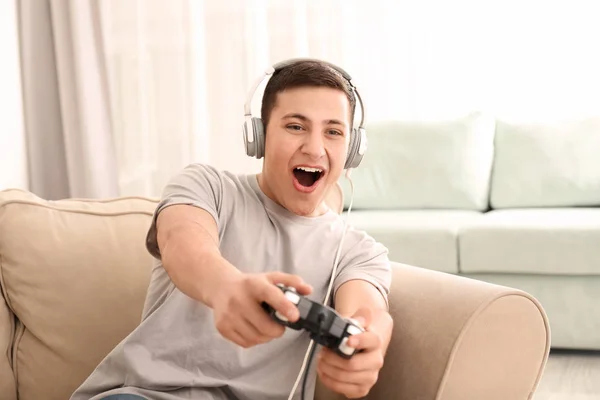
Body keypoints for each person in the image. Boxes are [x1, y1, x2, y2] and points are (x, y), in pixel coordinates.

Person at [70, 58, 393, 400]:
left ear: (352, 150)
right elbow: (183, 243)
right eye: (295, 126)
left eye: (333, 131)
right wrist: (226, 286)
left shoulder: (358, 252)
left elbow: (370, 313)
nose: (314, 149)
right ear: (259, 136)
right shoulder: (207, 187)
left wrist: (369, 344)